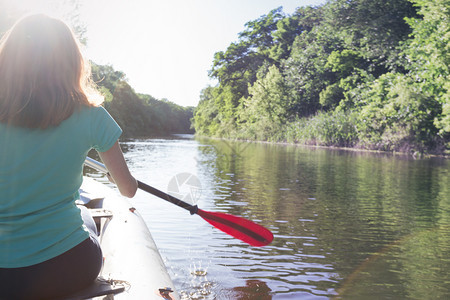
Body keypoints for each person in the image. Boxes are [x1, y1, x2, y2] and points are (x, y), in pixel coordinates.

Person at [0, 14, 138, 299]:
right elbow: (128, 190)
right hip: (66, 268)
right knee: (85, 213)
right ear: (70, 60)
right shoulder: (92, 114)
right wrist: (124, 176)